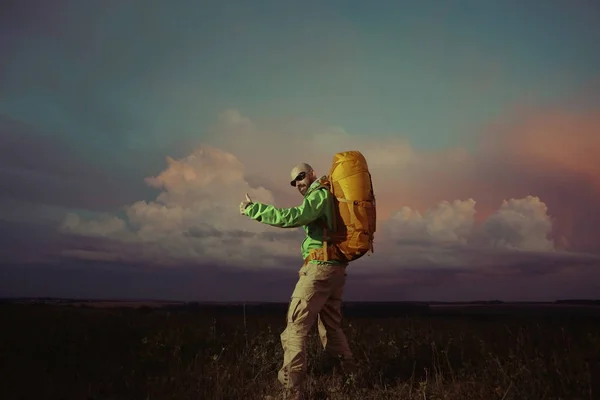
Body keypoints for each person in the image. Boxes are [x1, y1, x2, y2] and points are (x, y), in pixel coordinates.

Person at [240, 162, 357, 400]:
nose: (298, 184)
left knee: (294, 328)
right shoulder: (327, 195)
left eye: (301, 177)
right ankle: (349, 381)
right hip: (334, 269)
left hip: (320, 270)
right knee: (331, 328)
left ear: (312, 173)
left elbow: (294, 217)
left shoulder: (319, 195)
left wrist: (255, 210)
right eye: (294, 182)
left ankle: (291, 393)